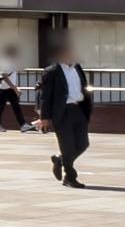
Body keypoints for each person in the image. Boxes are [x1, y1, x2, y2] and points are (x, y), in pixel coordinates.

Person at [37, 36, 93, 187]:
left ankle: (60, 160)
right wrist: (44, 117)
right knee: (67, 144)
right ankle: (70, 176)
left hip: (78, 109)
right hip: (62, 111)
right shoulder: (52, 71)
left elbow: (83, 87)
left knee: (83, 143)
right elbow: (45, 96)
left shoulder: (77, 67)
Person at [0, 45, 27, 132]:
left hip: (10, 88)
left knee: (16, 106)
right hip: (4, 88)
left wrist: (15, 87)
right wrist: (15, 88)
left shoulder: (12, 62)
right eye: (14, 52)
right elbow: (4, 76)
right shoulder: (4, 62)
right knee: (1, 107)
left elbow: (11, 76)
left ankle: (23, 125)